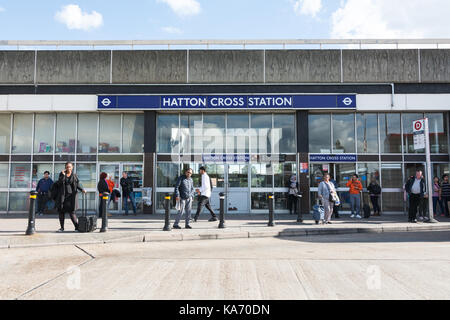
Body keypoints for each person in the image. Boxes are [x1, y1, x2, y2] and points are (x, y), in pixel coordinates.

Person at [54, 162, 86, 232]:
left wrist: (82, 189)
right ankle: (62, 228)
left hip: (71, 197)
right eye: (67, 167)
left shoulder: (74, 175)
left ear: (72, 167)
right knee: (61, 212)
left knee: (72, 212)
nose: (68, 168)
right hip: (62, 196)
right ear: (65, 167)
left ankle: (77, 227)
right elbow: (59, 183)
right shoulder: (62, 174)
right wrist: (63, 175)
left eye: (69, 167)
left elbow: (77, 184)